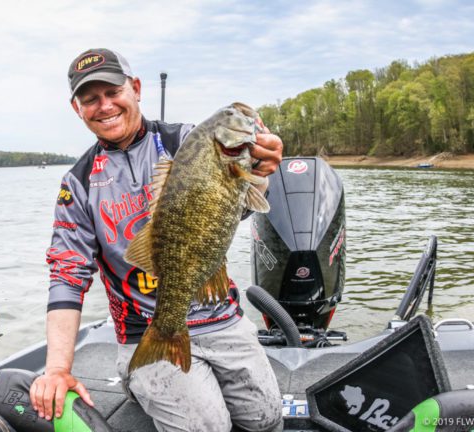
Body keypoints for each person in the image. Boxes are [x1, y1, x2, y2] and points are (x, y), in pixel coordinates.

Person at [30, 48, 284, 432]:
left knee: (267, 422)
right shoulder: (78, 183)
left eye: (113, 92)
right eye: (90, 99)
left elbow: (233, 209)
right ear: (77, 109)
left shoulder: (187, 141)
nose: (104, 106)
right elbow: (67, 274)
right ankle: (144, 372)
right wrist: (58, 370)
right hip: (145, 329)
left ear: (135, 88)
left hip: (222, 319)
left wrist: (261, 167)